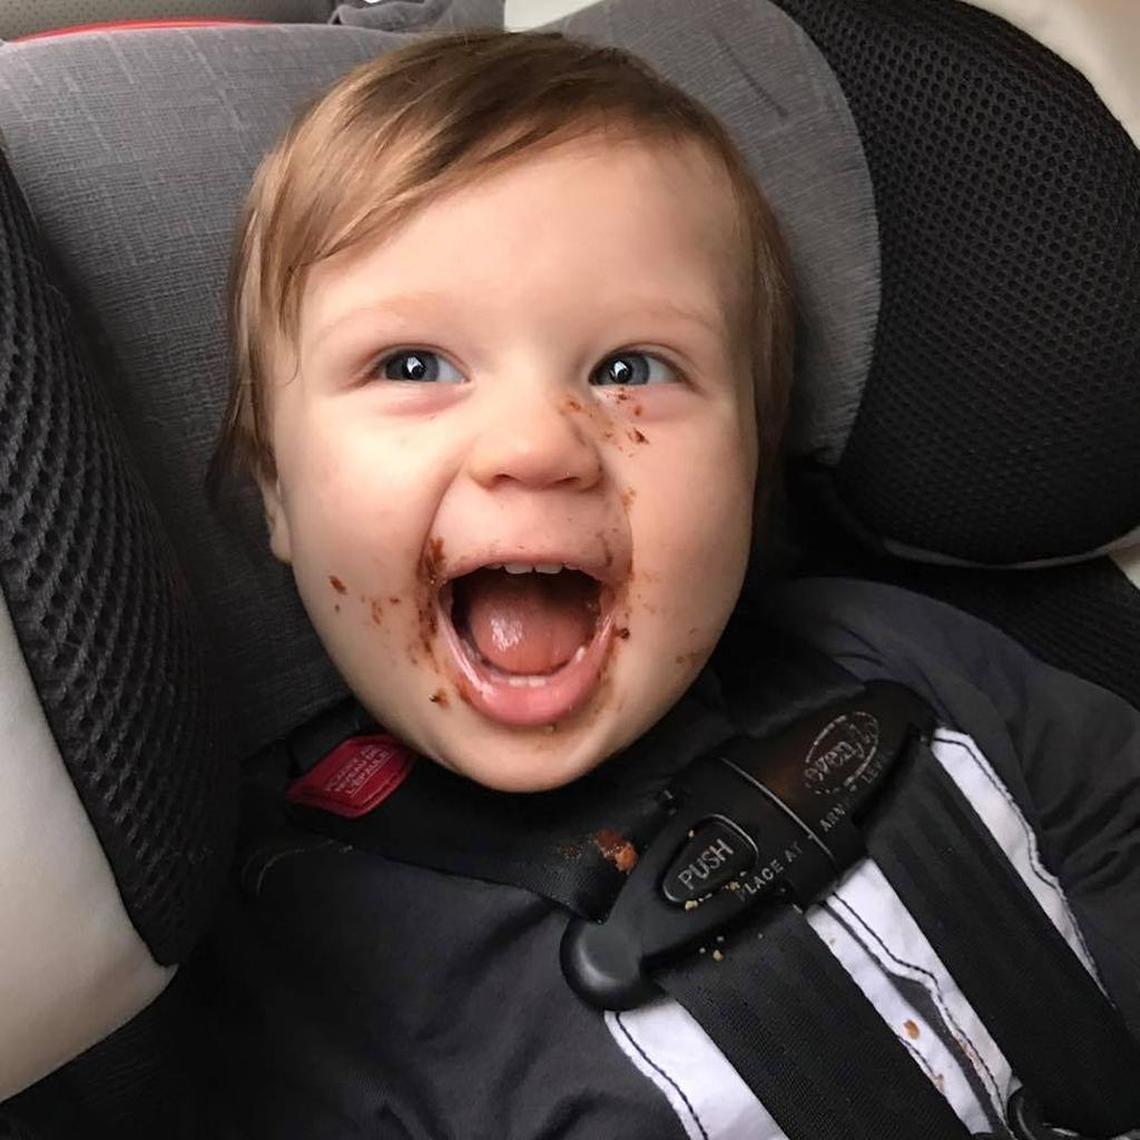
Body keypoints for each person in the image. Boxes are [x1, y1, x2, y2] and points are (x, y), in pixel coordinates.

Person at [195, 28, 1140, 1140]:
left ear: (749, 466)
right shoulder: (297, 972)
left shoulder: (903, 654)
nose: (536, 445)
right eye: (413, 366)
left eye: (631, 369)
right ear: (277, 497)